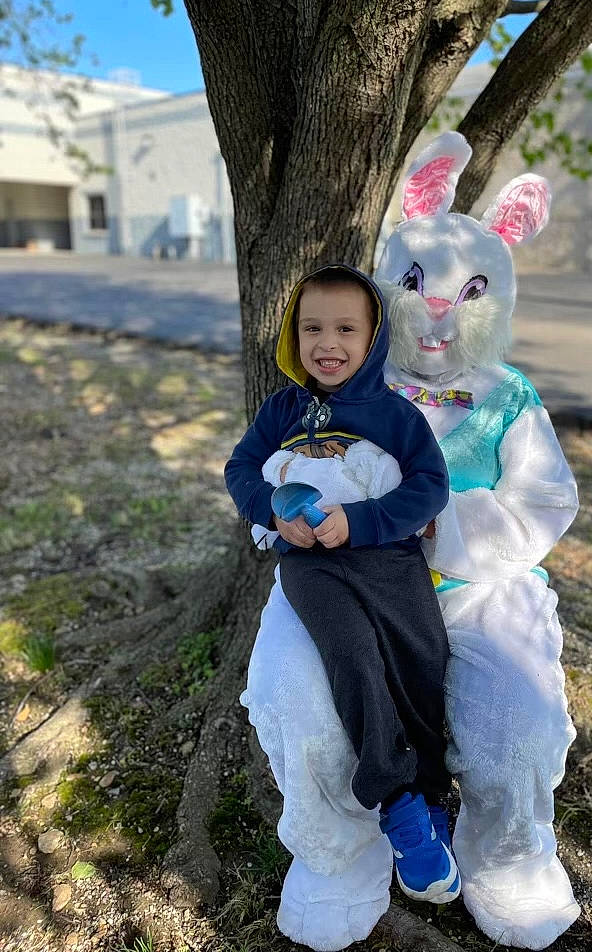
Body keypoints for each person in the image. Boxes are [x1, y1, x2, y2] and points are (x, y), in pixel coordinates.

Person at [239, 134, 581, 952]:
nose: (437, 309)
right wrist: (278, 512)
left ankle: (505, 851)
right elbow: (277, 460)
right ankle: (337, 853)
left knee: (521, 719)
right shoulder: (346, 376)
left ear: (497, 295)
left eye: (467, 291)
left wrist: (446, 525)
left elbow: (545, 499)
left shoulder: (508, 394)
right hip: (340, 575)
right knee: (302, 701)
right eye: (419, 284)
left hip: (476, 590)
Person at [225, 264, 460, 905]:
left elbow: (429, 486)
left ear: (374, 337)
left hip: (388, 555)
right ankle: (396, 800)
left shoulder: (393, 413)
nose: (328, 344)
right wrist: (271, 510)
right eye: (312, 329)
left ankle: (433, 789)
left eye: (346, 329)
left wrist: (358, 520)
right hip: (311, 564)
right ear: (293, 337)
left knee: (421, 658)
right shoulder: (282, 410)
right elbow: (240, 467)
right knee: (352, 655)